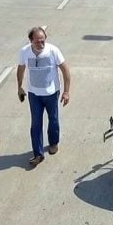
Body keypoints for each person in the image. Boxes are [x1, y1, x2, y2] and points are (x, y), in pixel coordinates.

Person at [17, 27, 71, 166]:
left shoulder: (53, 50)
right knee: (36, 124)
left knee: (53, 119)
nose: (41, 44)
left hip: (51, 93)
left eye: (43, 41)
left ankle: (53, 143)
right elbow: (21, 68)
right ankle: (38, 154)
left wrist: (66, 92)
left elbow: (65, 70)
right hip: (34, 94)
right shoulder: (25, 52)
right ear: (31, 41)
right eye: (38, 42)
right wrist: (20, 87)